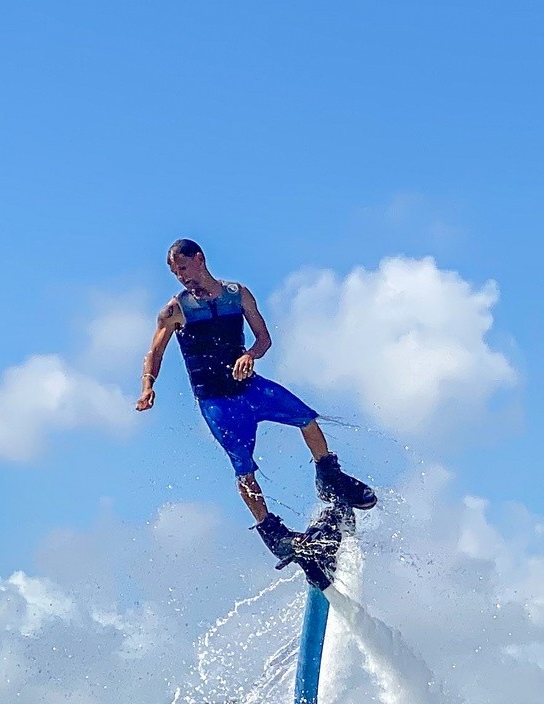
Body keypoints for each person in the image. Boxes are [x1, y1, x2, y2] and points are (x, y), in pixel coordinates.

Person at [136, 238, 376, 586]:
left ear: (199, 259)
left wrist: (250, 354)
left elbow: (264, 339)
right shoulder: (176, 310)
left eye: (183, 268)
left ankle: (329, 476)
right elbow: (154, 352)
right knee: (244, 470)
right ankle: (274, 533)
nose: (181, 277)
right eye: (175, 272)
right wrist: (148, 386)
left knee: (307, 419)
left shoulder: (238, 295)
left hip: (250, 389)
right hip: (217, 403)